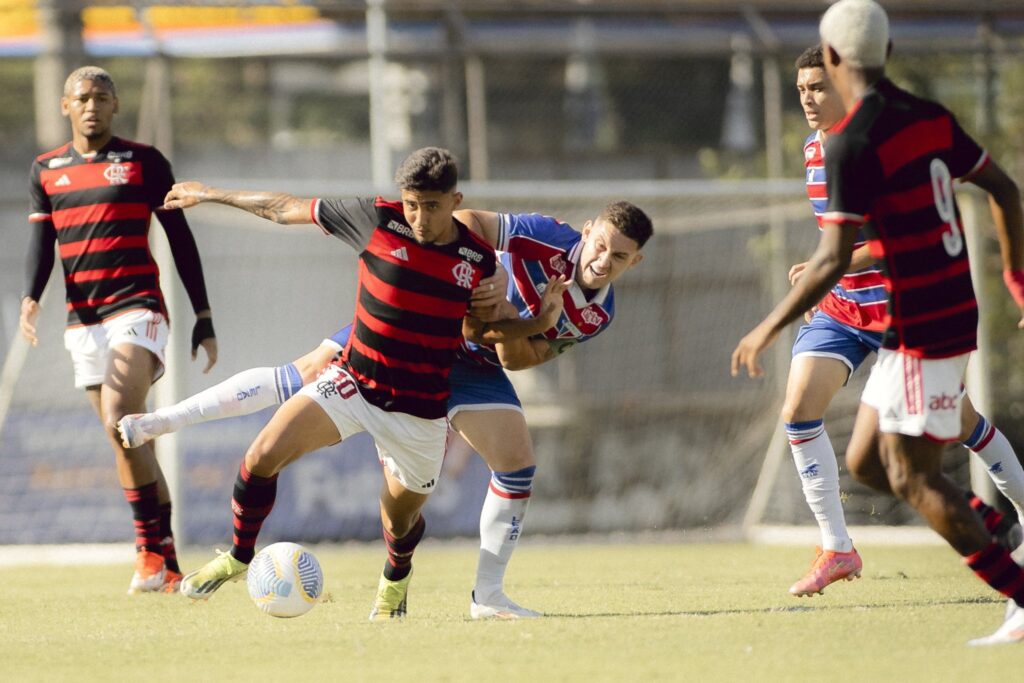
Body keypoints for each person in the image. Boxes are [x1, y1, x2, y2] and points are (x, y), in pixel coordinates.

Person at [119, 200, 653, 619]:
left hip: (471, 362)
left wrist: (527, 317)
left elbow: (520, 356)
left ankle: (487, 597)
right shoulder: (546, 236)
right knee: (301, 374)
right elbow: (466, 221)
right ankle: (161, 422)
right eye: (601, 245)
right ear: (586, 231)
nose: (603, 261)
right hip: (419, 324)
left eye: (619, 257)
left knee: (516, 466)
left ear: (635, 262)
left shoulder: (596, 316)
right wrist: (481, 275)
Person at [170, 147, 570, 621]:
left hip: (420, 414)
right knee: (260, 457)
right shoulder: (375, 218)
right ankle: (238, 556)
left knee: (399, 521)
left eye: (433, 205)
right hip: (352, 385)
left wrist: (538, 320)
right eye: (412, 203)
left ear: (455, 199)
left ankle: (396, 579)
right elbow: (283, 208)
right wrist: (211, 194)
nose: (420, 217)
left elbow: (484, 334)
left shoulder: (478, 261)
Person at [732, 0, 1024, 645]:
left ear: (834, 61)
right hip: (920, 315)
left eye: (816, 79)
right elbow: (1004, 189)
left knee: (915, 472)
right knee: (867, 461)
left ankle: (1015, 580)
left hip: (920, 318)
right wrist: (1016, 277)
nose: (810, 96)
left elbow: (835, 255)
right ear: (887, 56)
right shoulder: (927, 117)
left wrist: (769, 326)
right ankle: (981, 524)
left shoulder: (856, 141)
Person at [19, 66, 217, 595]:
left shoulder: (145, 163)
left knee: (120, 416)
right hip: (81, 321)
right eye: (82, 97)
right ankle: (166, 561)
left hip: (138, 308)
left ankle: (147, 553)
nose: (92, 106)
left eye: (101, 97)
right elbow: (43, 247)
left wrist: (203, 315)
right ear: (65, 106)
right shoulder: (46, 170)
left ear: (115, 105)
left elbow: (180, 238)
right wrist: (31, 298)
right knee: (127, 439)